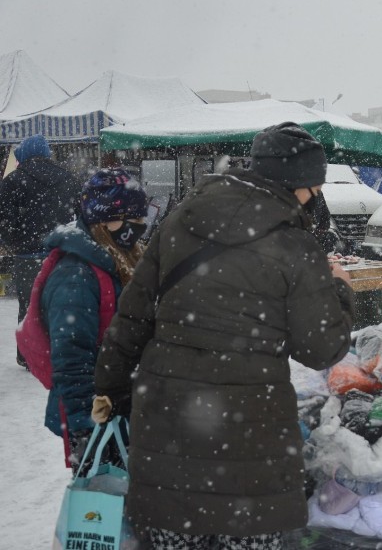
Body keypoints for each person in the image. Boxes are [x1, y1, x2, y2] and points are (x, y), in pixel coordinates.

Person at [92, 122, 355, 550]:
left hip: (167, 429)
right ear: (297, 183)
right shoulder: (296, 247)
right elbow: (321, 348)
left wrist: (110, 389)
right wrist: (340, 288)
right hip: (250, 445)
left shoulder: (181, 219)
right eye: (315, 186)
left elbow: (132, 316)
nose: (316, 196)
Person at [39, 169, 148, 472]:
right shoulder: (76, 276)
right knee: (104, 509)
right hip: (100, 415)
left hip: (125, 405)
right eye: (130, 219)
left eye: (140, 219)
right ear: (104, 219)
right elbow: (71, 358)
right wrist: (86, 427)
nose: (137, 228)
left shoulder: (119, 256)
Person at [0, 134, 82, 368]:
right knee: (60, 304)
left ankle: (27, 356)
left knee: (28, 308)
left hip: (27, 257)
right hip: (61, 255)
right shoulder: (69, 178)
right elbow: (82, 216)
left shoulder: (13, 181)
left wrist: (16, 242)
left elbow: (3, 219)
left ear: (24, 154)